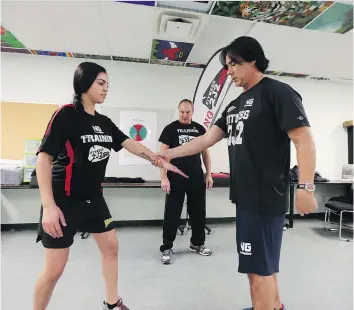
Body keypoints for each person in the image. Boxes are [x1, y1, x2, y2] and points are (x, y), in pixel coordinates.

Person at [154, 36, 317, 310]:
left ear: (252, 60)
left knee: (258, 270)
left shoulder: (277, 92)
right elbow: (204, 141)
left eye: (233, 64)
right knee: (261, 266)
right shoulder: (234, 106)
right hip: (244, 198)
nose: (229, 72)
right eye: (227, 66)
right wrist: (168, 153)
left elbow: (304, 140)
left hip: (265, 197)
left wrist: (306, 187)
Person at [33, 61, 188, 310]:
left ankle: (112, 302)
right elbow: (43, 158)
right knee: (54, 270)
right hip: (64, 199)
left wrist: (159, 160)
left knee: (111, 248)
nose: (106, 89)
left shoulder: (104, 122)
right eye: (101, 83)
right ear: (85, 84)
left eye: (108, 84)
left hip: (93, 198)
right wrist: (48, 206)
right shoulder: (66, 115)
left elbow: (131, 144)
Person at [158, 99, 213, 264]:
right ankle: (167, 247)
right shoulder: (170, 129)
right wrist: (163, 177)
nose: (184, 115)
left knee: (198, 212)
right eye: (182, 112)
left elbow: (205, 153)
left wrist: (208, 174)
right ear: (178, 111)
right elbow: (162, 156)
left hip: (196, 177)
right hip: (176, 178)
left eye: (187, 112)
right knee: (172, 213)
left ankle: (197, 244)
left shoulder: (199, 129)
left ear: (192, 111)